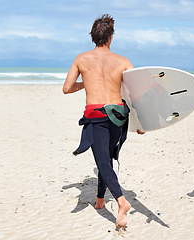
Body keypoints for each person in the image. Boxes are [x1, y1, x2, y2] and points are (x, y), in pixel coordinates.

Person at [63, 14, 134, 229]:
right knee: (107, 157)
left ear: (93, 37)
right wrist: (142, 123)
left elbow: (67, 88)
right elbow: (135, 93)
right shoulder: (123, 61)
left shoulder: (82, 59)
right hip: (118, 114)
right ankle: (100, 199)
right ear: (111, 37)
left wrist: (87, 83)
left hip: (96, 115)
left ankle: (122, 202)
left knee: (103, 161)